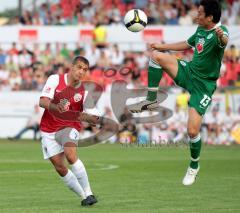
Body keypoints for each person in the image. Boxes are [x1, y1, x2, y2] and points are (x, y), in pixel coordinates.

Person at [129, 0, 228, 185]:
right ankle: (151, 100)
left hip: (203, 86)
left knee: (192, 131)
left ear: (210, 17)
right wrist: (161, 45)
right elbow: (186, 44)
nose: (196, 16)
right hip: (189, 72)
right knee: (156, 57)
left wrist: (222, 37)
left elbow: (224, 41)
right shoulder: (200, 29)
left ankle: (194, 165)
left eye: (200, 13)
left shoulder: (219, 32)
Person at [39, 56, 99, 206]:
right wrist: (56, 107)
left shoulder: (84, 92)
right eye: (79, 67)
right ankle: (84, 196)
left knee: (70, 155)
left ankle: (89, 192)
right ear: (71, 67)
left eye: (85, 69)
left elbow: (95, 118)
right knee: (60, 167)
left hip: (69, 127)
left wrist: (91, 118)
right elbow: (42, 101)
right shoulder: (55, 79)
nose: (81, 71)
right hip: (48, 129)